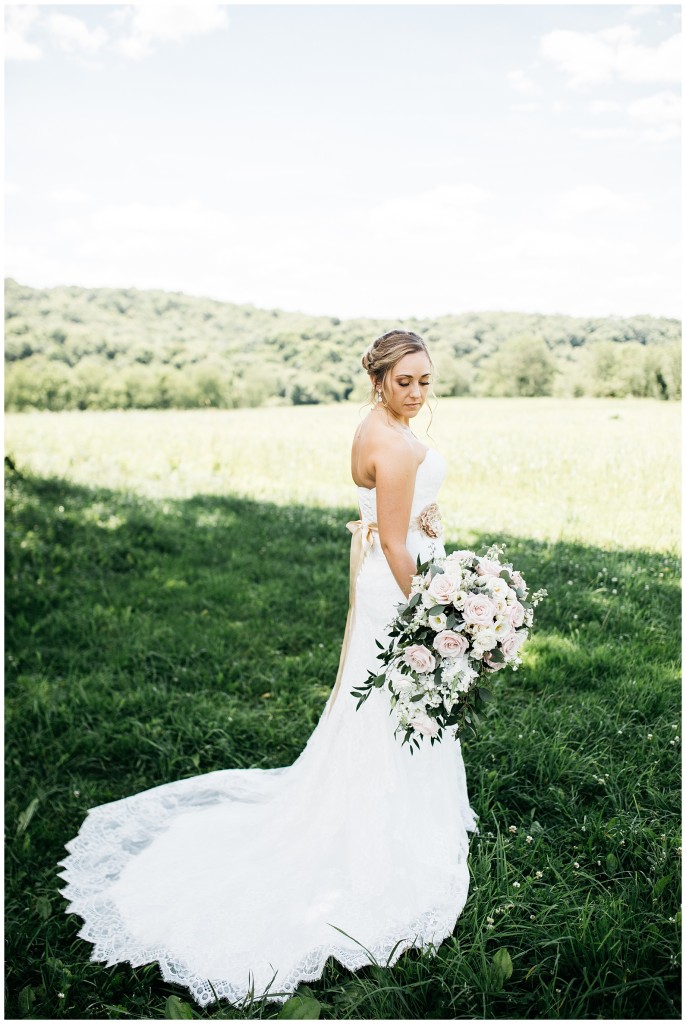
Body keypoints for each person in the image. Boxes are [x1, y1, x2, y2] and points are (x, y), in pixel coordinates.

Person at [57, 329, 479, 1009]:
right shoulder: (396, 442)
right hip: (401, 590)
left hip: (386, 576)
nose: (418, 393)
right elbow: (397, 544)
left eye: (427, 381)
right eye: (406, 382)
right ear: (379, 381)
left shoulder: (371, 428)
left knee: (372, 710)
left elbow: (380, 508)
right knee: (394, 707)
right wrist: (431, 616)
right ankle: (381, 831)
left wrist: (416, 522)